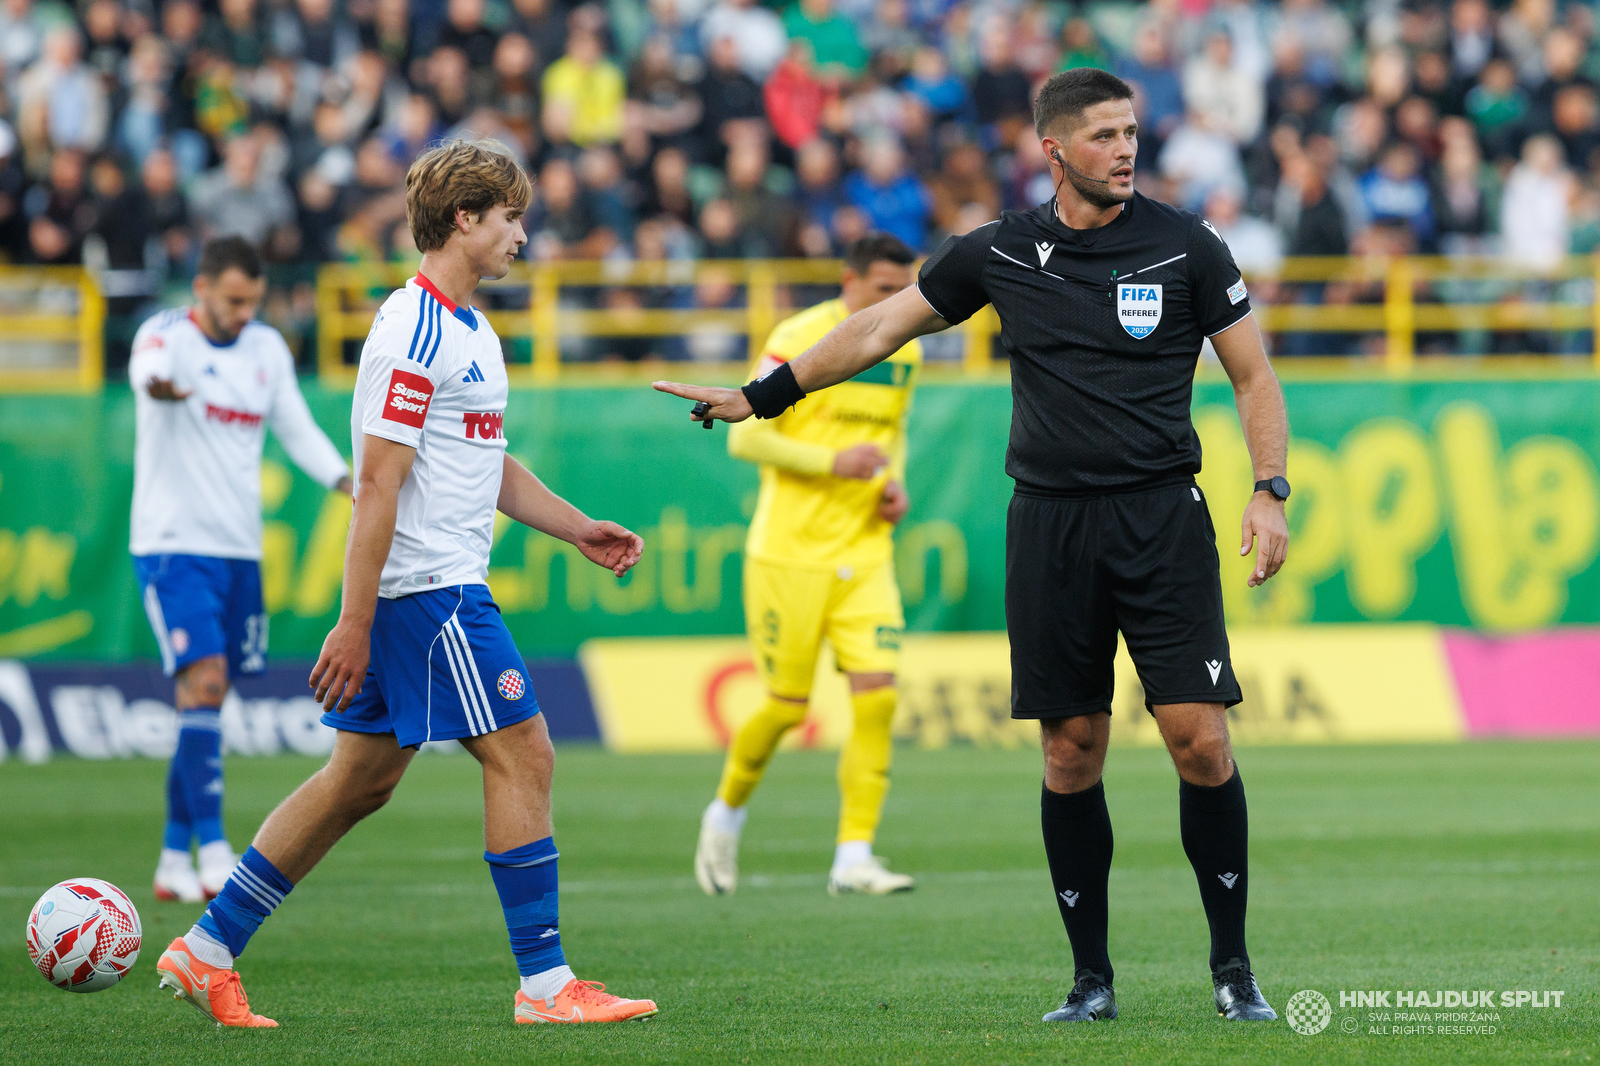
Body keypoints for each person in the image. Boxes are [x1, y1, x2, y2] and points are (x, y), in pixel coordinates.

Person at [656, 68, 1289, 1025]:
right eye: (1107, 135)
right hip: (1050, 524)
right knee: (1071, 749)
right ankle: (1091, 982)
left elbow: (1253, 376)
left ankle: (1234, 970)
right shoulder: (1000, 251)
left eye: (1131, 133)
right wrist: (764, 393)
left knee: (1198, 739)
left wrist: (1271, 491)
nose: (1126, 150)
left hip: (1162, 518)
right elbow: (875, 327)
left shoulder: (1186, 246)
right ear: (1056, 150)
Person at [153, 139, 658, 1028]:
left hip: (426, 585)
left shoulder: (470, 329)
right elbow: (377, 481)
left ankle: (205, 950)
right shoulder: (415, 327)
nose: (523, 237)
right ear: (464, 218)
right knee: (525, 752)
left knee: (360, 780)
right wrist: (354, 621)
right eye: (510, 219)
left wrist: (577, 526)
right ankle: (545, 985)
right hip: (430, 588)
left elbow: (487, 463)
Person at [694, 233, 923, 898]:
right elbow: (748, 435)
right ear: (848, 283)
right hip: (789, 555)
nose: (896, 302)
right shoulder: (799, 335)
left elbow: (893, 432)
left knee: (878, 698)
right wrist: (833, 463)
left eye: (902, 289)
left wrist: (892, 483)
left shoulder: (904, 351)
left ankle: (854, 855)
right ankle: (726, 810)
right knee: (787, 708)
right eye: (883, 290)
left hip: (864, 552)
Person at [129, 236, 352, 906]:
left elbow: (296, 428)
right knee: (206, 680)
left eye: (253, 301)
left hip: (238, 548)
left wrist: (347, 480)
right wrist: (160, 388)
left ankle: (173, 854)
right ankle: (216, 851)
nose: (245, 313)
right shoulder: (164, 335)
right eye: (233, 300)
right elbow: (147, 372)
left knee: (206, 699)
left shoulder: (265, 349)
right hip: (173, 544)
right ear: (200, 288)